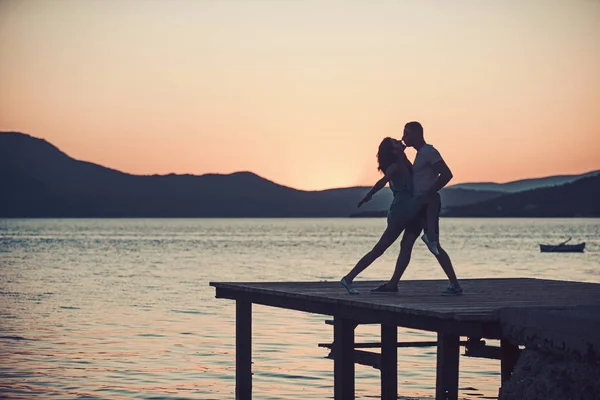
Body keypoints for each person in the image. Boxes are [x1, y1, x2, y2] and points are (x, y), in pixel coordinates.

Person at [373, 121, 463, 295]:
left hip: (426, 205)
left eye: (406, 134)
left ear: (416, 134)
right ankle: (393, 284)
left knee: (433, 244)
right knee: (405, 244)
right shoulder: (419, 154)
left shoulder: (429, 152)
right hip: (417, 207)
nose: (404, 137)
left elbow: (446, 174)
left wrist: (430, 193)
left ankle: (455, 285)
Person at [340, 137, 422, 294]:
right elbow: (383, 181)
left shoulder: (404, 161)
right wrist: (368, 195)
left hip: (414, 210)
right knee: (380, 249)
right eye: (395, 142)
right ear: (392, 151)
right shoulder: (395, 165)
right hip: (401, 210)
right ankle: (349, 278)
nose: (400, 141)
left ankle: (393, 284)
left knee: (406, 246)